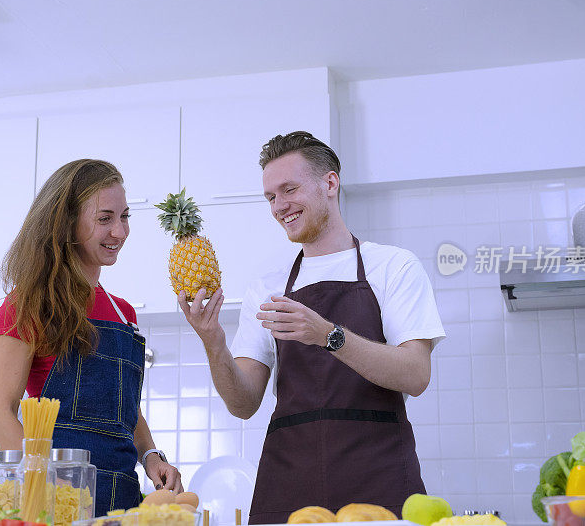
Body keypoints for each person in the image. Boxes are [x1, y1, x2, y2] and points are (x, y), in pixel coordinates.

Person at [179, 132, 445, 523]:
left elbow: (416, 374)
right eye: (270, 197)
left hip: (378, 477)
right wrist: (213, 341)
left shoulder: (393, 266)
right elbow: (243, 403)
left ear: (330, 183)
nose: (279, 206)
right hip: (289, 483)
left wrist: (327, 335)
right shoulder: (266, 286)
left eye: (289, 189)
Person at [0, 159, 181, 516]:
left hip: (121, 503)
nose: (119, 232)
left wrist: (152, 457)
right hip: (52, 504)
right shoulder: (28, 306)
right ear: (66, 223)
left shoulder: (124, 314)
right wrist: (49, 486)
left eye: (125, 217)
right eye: (105, 218)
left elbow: (123, 408)